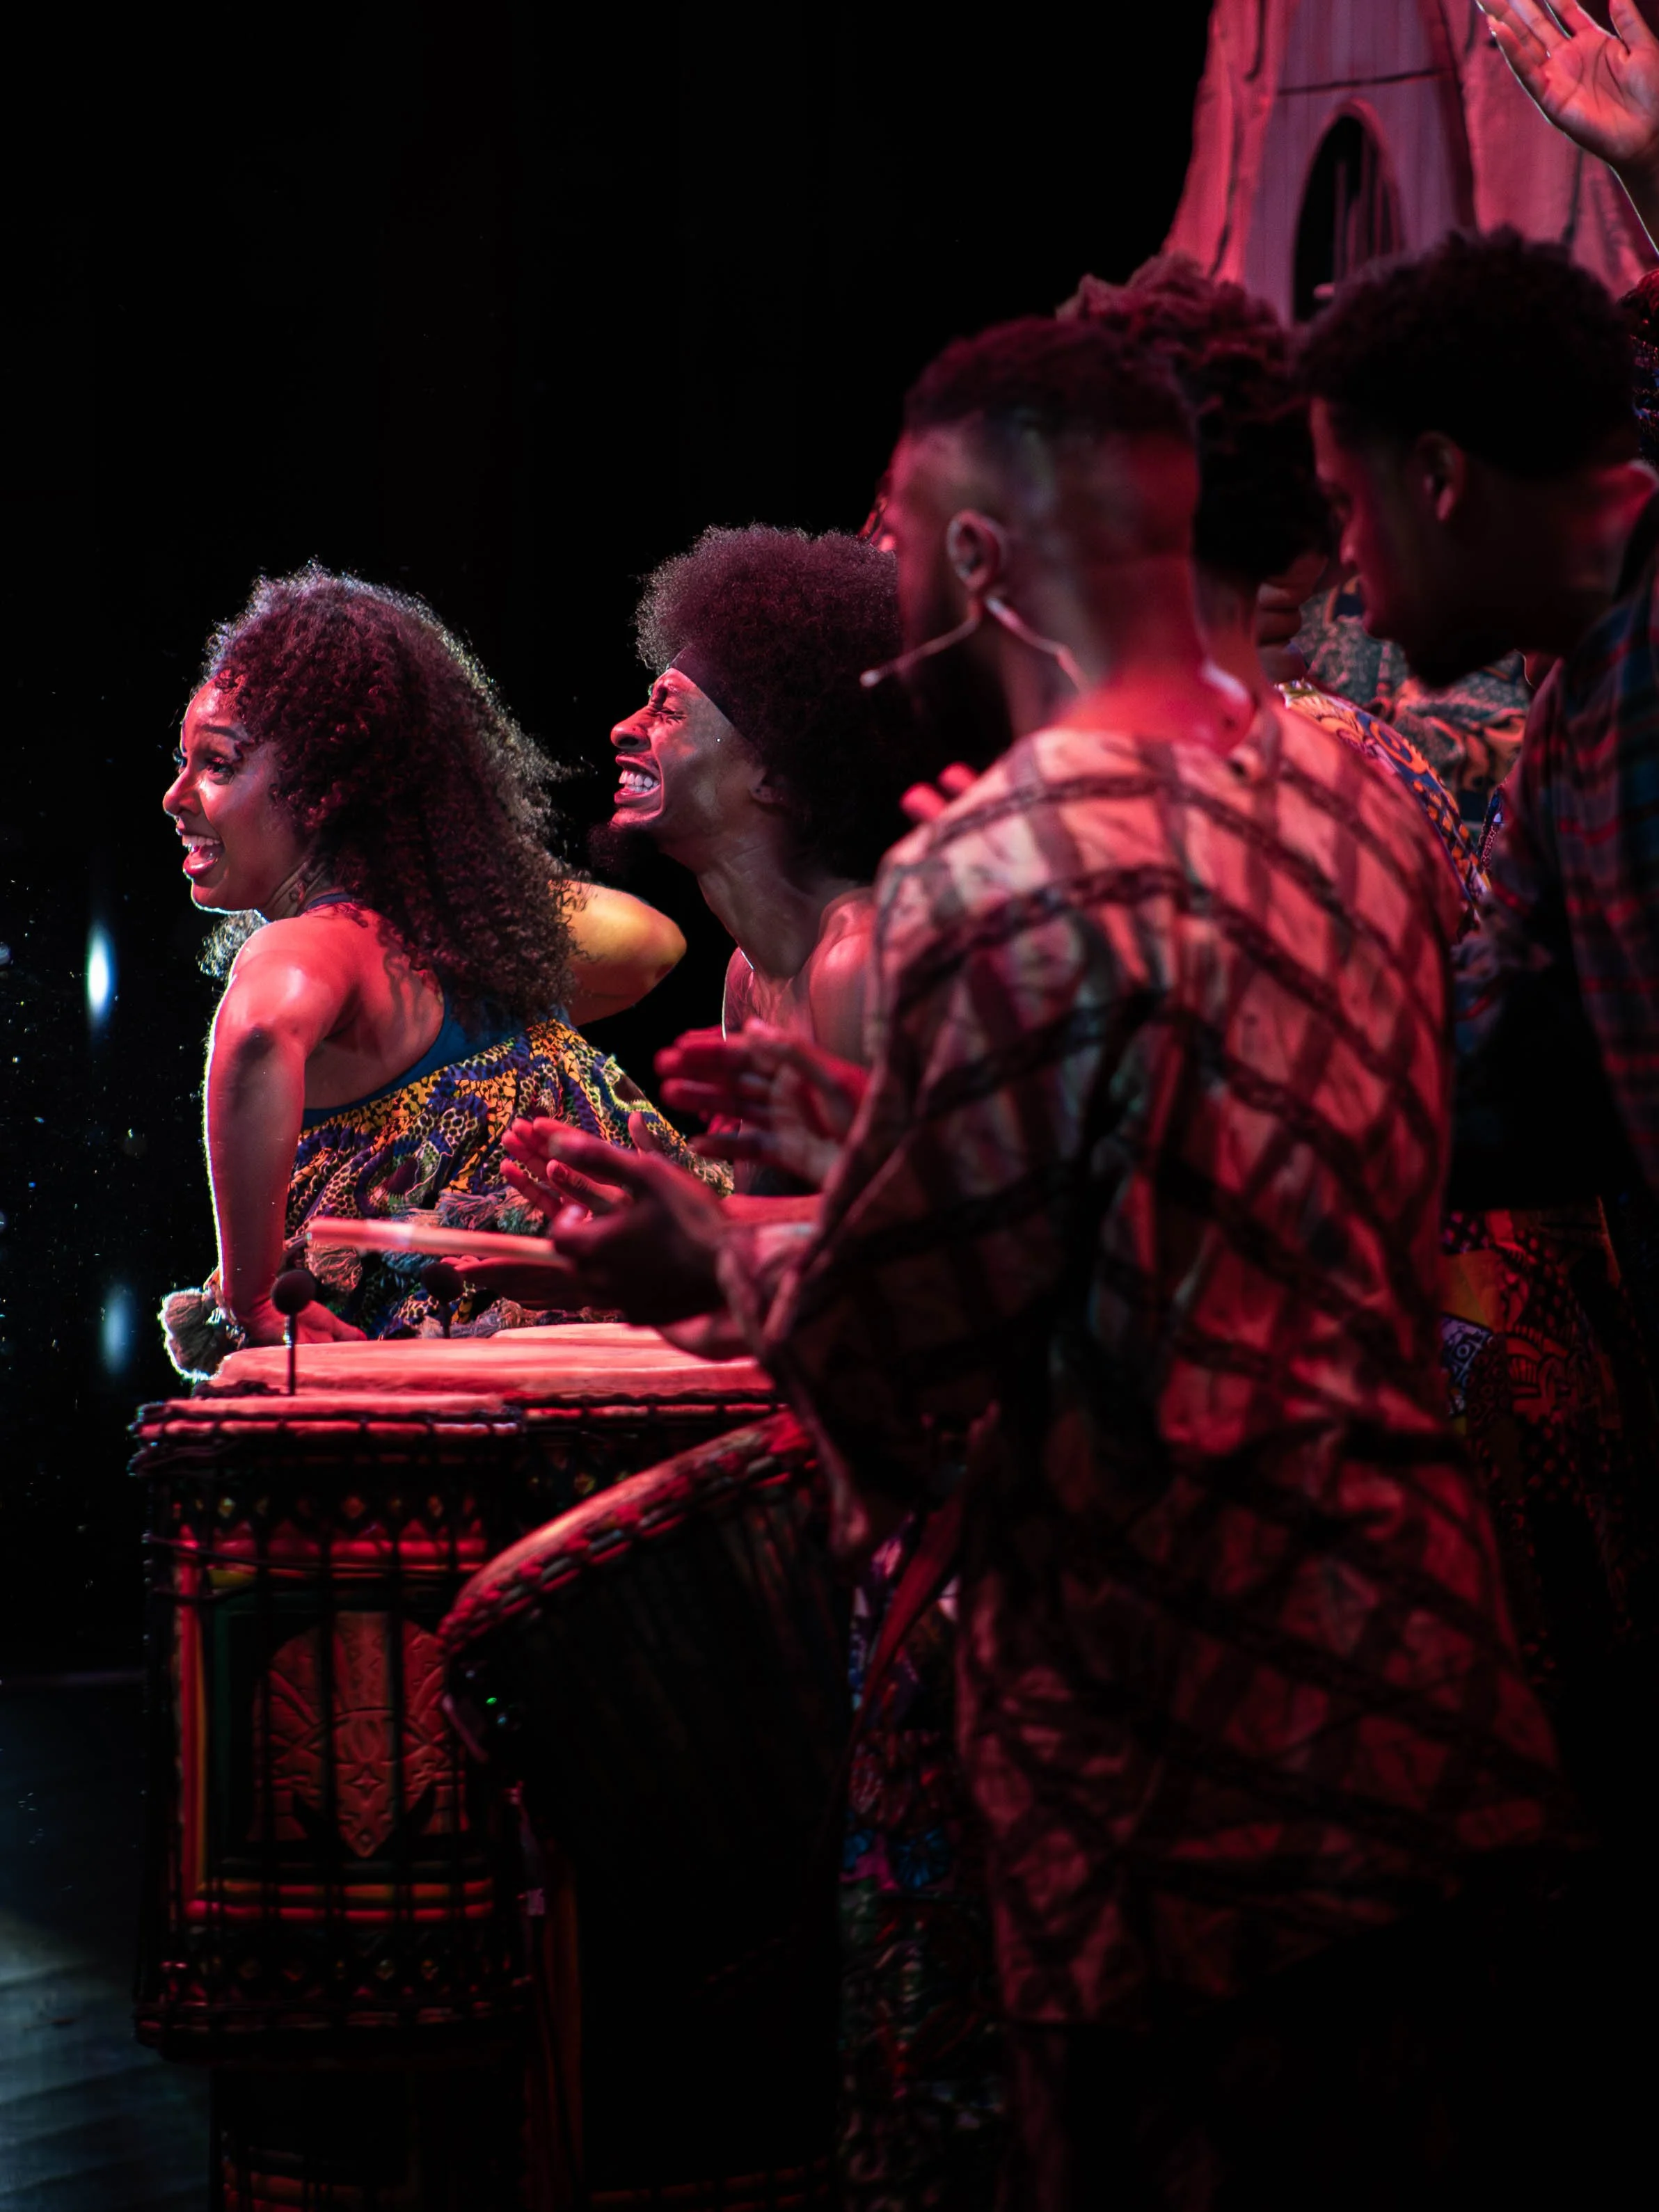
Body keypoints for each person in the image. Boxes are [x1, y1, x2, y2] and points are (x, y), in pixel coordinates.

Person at [503, 317, 1571, 2209]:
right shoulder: (1360, 799)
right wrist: (886, 1147)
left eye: (898, 536)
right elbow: (1211, 1191)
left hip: (1180, 1782)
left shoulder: (993, 867)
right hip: (1427, 1703)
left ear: (982, 557)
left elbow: (902, 1365)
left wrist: (709, 1261)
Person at [159, 564, 711, 1377]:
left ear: (324, 785)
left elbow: (259, 1030)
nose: (175, 797)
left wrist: (251, 1299)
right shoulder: (463, 952)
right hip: (651, 1357)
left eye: (217, 765)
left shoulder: (318, 942)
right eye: (182, 762)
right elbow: (651, 943)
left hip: (485, 1398)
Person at [604, 527, 932, 1179]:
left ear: (775, 775)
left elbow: (891, 1225)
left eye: (667, 710)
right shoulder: (747, 977)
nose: (623, 729)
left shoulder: (853, 965)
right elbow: (764, 1212)